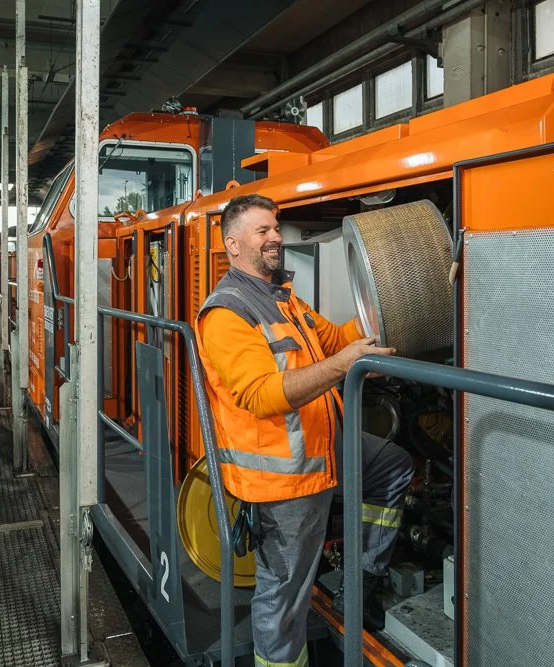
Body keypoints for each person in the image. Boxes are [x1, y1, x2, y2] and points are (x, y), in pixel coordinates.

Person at [194, 193, 415, 667]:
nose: (276, 237)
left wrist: (407, 305)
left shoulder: (285, 300)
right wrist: (341, 366)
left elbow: (337, 339)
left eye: (275, 228)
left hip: (323, 446)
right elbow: (262, 394)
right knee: (283, 594)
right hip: (283, 478)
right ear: (233, 244)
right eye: (263, 231)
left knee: (393, 467)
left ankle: (361, 579)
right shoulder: (227, 313)